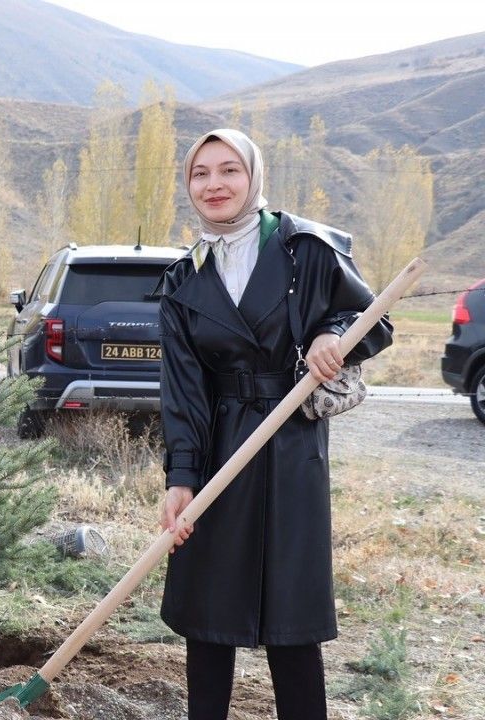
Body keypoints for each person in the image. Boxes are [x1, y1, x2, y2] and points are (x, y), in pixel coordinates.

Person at [157, 128, 393, 720]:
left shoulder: (305, 248)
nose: (214, 184)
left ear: (254, 176)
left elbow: (371, 317)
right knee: (207, 615)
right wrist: (181, 477)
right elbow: (182, 391)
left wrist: (330, 334)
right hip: (219, 448)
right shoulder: (183, 279)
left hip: (291, 445)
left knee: (292, 618)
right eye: (200, 173)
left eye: (228, 170)